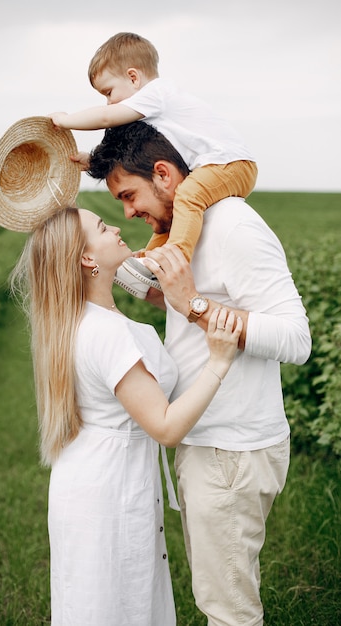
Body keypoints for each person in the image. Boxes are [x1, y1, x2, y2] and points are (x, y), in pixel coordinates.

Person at [87, 121, 312, 626]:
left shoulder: (232, 225)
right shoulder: (182, 231)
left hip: (230, 450)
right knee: (217, 596)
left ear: (164, 174)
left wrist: (193, 305)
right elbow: (163, 291)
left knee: (228, 611)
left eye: (129, 195)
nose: (127, 212)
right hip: (207, 442)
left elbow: (297, 339)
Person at [9, 204, 242, 626]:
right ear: (86, 258)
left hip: (87, 480)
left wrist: (154, 287)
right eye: (102, 227)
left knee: (95, 601)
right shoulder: (109, 333)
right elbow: (166, 427)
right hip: (110, 493)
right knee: (119, 604)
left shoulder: (81, 321)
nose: (116, 226)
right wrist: (219, 361)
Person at [49, 32, 257, 297]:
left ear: (133, 78)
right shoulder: (159, 103)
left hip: (232, 164)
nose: (109, 102)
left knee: (187, 196)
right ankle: (149, 260)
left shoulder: (157, 94)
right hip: (219, 166)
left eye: (109, 92)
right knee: (177, 214)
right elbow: (132, 157)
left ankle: (174, 258)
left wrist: (66, 120)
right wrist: (91, 160)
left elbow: (105, 118)